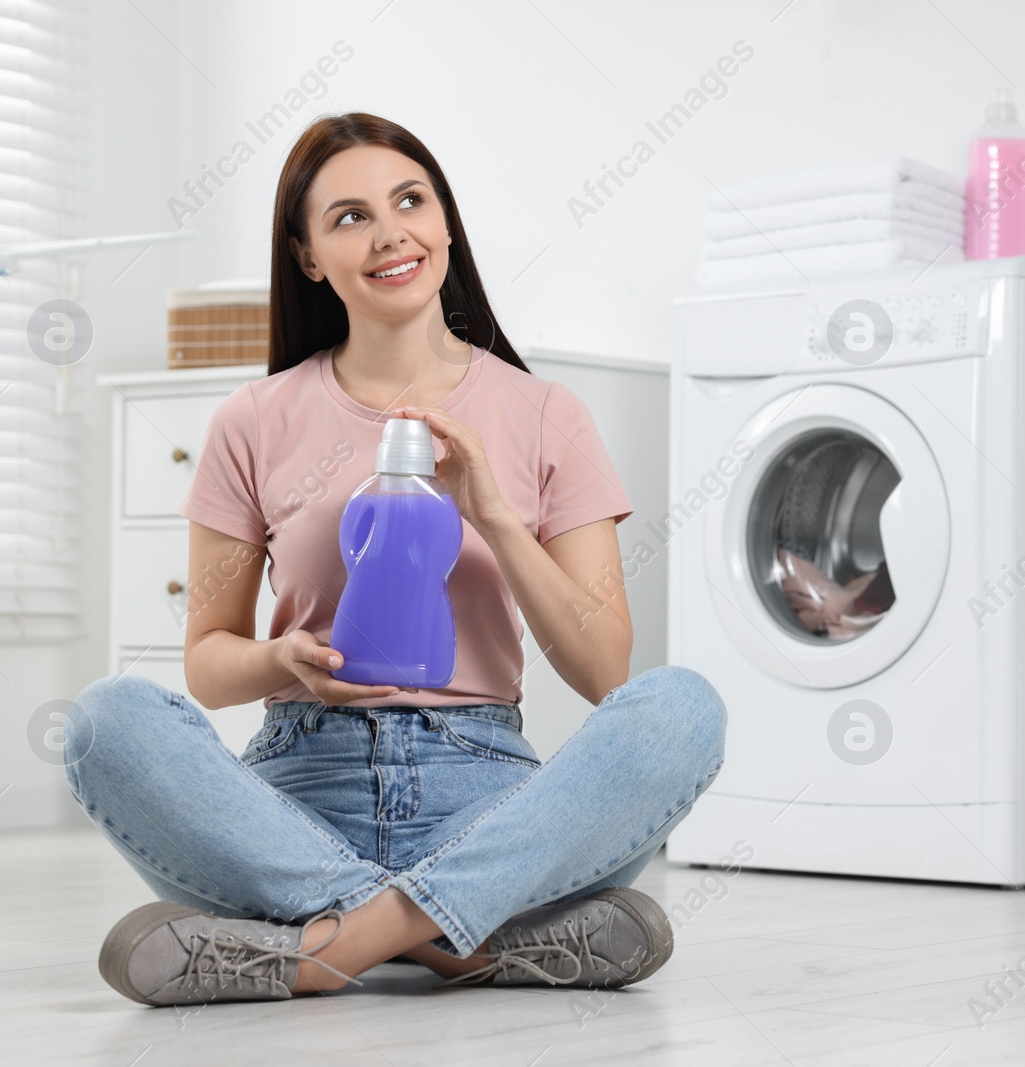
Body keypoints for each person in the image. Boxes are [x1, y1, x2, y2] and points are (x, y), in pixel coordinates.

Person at [64, 112, 727, 1007]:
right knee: (106, 718)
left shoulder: (544, 414)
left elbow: (608, 669)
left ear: (446, 222)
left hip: (488, 801)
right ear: (308, 257)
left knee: (682, 705)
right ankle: (465, 944)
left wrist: (495, 517)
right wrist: (278, 659)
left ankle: (322, 949)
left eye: (410, 200)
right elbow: (208, 663)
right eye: (348, 217)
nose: (389, 234)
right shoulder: (254, 419)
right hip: (295, 797)